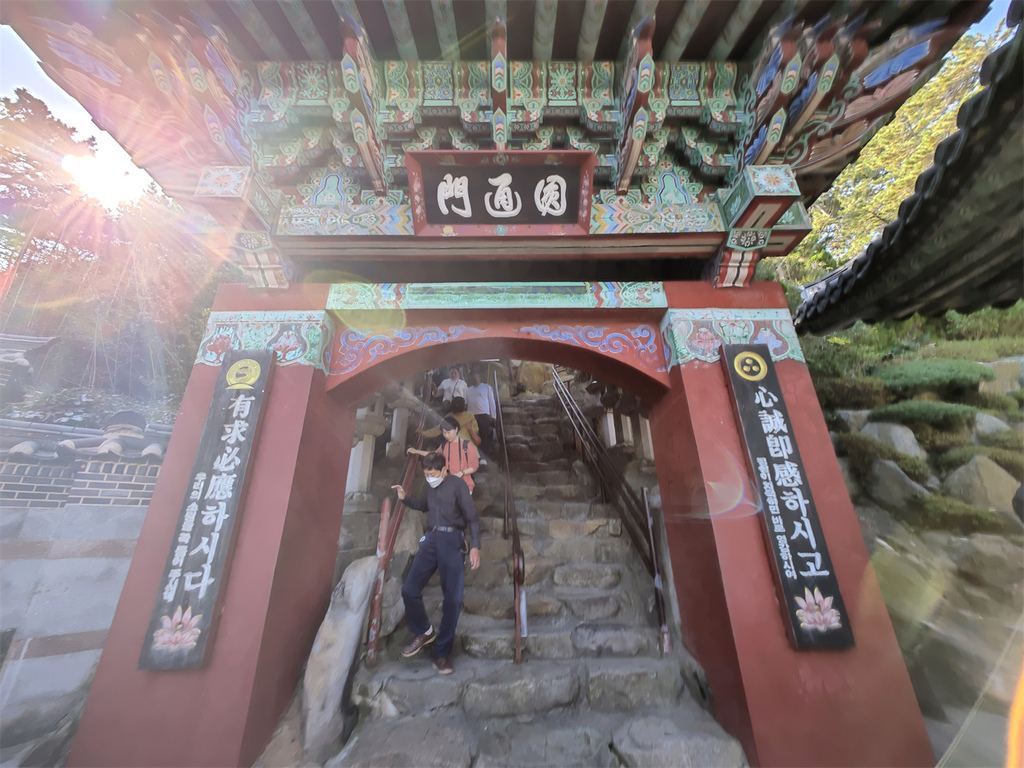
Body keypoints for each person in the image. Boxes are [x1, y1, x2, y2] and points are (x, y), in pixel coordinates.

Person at [392, 452, 481, 675]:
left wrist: (476, 547)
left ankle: (442, 655)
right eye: (426, 474)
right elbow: (425, 505)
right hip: (431, 540)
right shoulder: (431, 486)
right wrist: (405, 499)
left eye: (432, 474)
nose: (429, 478)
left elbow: (472, 517)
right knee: (409, 589)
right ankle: (424, 630)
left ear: (443, 470)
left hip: (452, 541)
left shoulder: (458, 485)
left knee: (453, 600)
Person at [408, 416, 480, 493]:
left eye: (448, 432)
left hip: (465, 486)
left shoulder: (467, 445)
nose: (446, 435)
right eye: (444, 433)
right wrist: (416, 451)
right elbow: (433, 454)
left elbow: (474, 466)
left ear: (456, 429)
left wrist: (462, 473)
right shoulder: (444, 445)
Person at [466, 370, 497, 455]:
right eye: (471, 378)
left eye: (475, 377)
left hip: (483, 415)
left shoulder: (486, 387)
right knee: (473, 435)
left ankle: (484, 456)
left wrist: (494, 416)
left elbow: (492, 402)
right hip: (471, 416)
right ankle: (474, 455)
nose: (474, 379)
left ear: (479, 377)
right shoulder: (468, 390)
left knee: (484, 435)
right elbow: (467, 404)